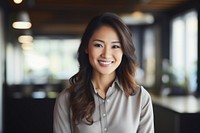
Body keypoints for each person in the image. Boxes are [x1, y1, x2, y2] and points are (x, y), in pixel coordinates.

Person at [53, 12, 154, 133]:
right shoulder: (66, 99)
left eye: (115, 46)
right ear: (86, 47)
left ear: (124, 50)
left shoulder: (141, 98)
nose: (106, 54)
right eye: (98, 45)